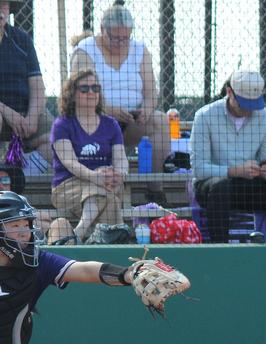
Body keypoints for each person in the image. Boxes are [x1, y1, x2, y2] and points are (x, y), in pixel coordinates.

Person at [0, 190, 150, 344]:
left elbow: (83, 270)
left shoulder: (36, 263)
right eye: (14, 225)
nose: (24, 232)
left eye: (26, 224)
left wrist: (128, 275)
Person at [190, 69, 266, 243]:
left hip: (250, 185)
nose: (249, 109)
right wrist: (235, 171)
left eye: (254, 103)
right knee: (220, 188)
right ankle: (219, 251)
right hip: (214, 187)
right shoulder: (204, 116)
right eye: (244, 103)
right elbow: (199, 169)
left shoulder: (265, 116)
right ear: (230, 92)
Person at [69, 0, 169, 204]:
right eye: (115, 38)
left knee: (160, 121)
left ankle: (155, 190)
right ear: (102, 30)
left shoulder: (140, 51)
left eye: (126, 38)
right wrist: (107, 109)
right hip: (95, 120)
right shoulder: (85, 51)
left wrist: (147, 109)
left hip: (131, 121)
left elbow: (151, 91)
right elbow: (76, 93)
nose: (121, 43)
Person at [50, 70, 126, 243]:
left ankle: (79, 236)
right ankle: (89, 237)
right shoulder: (62, 124)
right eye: (84, 89)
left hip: (105, 182)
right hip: (67, 186)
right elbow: (69, 162)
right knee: (110, 199)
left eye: (95, 88)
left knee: (107, 192)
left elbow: (121, 158)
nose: (91, 93)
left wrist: (119, 174)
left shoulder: (111, 124)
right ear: (72, 94)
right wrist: (95, 176)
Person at [0, 0, 54, 174]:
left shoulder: (22, 39)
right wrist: (6, 111)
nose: (0, 10)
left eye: (3, 5)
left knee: (61, 137)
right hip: (2, 115)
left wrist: (32, 117)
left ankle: (18, 178)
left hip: (26, 113)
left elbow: (38, 86)